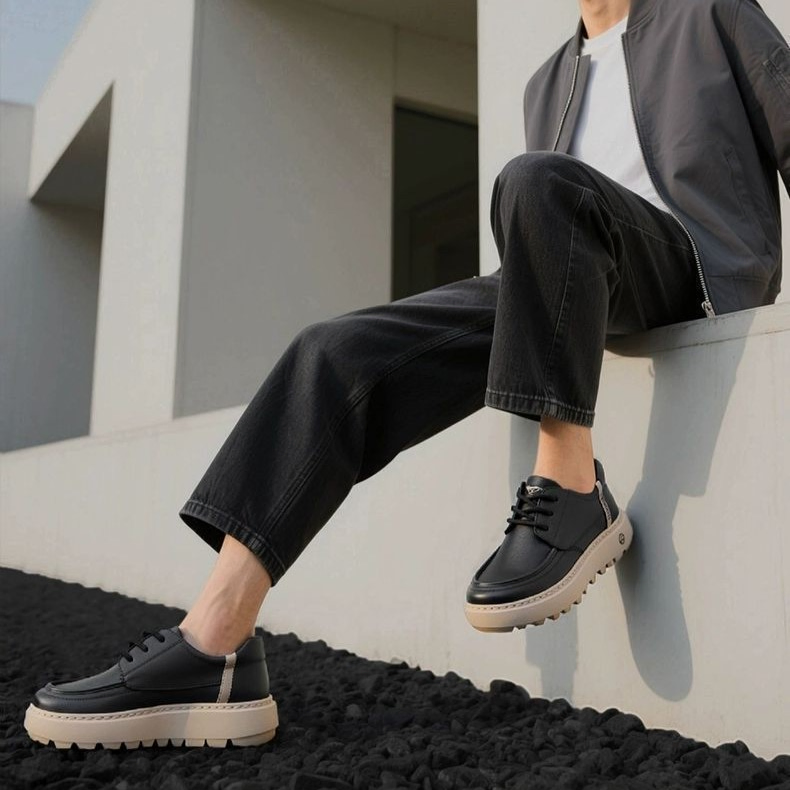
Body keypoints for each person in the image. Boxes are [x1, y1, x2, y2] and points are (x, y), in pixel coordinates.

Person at [24, 0, 788, 750]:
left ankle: (572, 487)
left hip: (693, 266)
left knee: (537, 180)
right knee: (334, 351)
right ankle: (214, 645)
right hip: (571, 273)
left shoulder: (710, 12)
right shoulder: (548, 80)